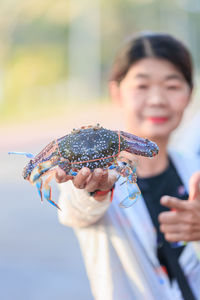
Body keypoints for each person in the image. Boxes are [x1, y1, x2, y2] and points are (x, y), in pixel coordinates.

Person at [56, 33, 200, 300]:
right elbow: (75, 211)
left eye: (172, 86)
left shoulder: (196, 170)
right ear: (116, 92)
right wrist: (94, 192)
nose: (157, 99)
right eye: (142, 86)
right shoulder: (96, 174)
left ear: (190, 93)